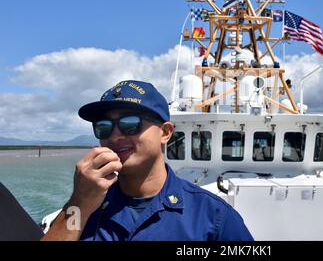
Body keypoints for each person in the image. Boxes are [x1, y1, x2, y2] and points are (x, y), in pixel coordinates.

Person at [42, 80, 253, 241]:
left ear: (165, 132)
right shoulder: (84, 208)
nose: (114, 136)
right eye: (104, 126)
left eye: (130, 124)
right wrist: (79, 201)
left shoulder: (213, 217)